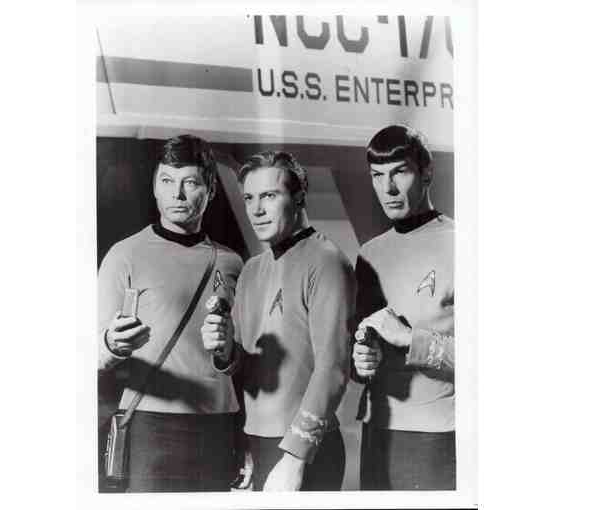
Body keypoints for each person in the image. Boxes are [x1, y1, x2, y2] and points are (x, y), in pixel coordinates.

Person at [201, 151, 356, 491]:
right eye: (249, 198)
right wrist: (224, 349)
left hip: (303, 450)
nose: (256, 210)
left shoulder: (326, 261)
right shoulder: (252, 269)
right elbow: (244, 365)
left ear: (298, 197)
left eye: (269, 196)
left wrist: (295, 458)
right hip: (258, 443)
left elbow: (333, 369)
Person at [97, 134, 244, 492]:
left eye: (190, 183)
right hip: (151, 424)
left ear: (210, 189)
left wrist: (228, 353)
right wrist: (112, 344)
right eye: (167, 181)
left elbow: (244, 360)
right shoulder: (124, 255)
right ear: (154, 187)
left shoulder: (232, 262)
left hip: (219, 424)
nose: (177, 194)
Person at [351, 124, 455, 490]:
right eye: (377, 175)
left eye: (400, 172)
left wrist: (410, 338)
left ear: (426, 173)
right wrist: (360, 361)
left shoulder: (464, 244)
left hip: (438, 435)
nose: (388, 189)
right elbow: (358, 355)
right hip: (377, 430)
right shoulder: (369, 254)